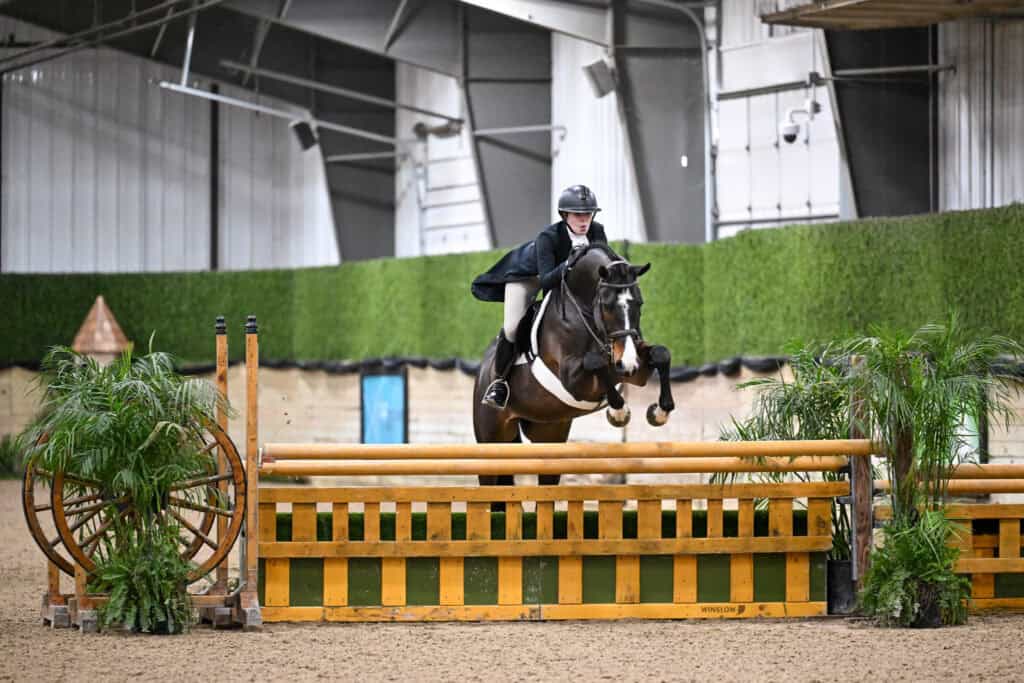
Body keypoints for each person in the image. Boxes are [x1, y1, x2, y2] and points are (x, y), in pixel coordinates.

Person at [471, 184, 609, 409]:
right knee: (513, 327)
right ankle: (499, 383)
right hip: (528, 276)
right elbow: (546, 281)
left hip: (563, 276)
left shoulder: (597, 231)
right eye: (578, 215)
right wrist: (569, 263)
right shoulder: (549, 237)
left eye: (588, 214)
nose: (585, 220)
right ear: (564, 215)